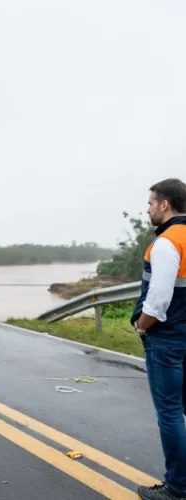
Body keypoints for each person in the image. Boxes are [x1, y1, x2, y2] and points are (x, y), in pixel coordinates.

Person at [132, 178, 186, 500]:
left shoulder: (167, 242)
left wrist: (142, 325)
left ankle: (177, 487)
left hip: (166, 338)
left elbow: (159, 298)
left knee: (169, 411)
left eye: (151, 203)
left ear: (165, 204)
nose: (149, 208)